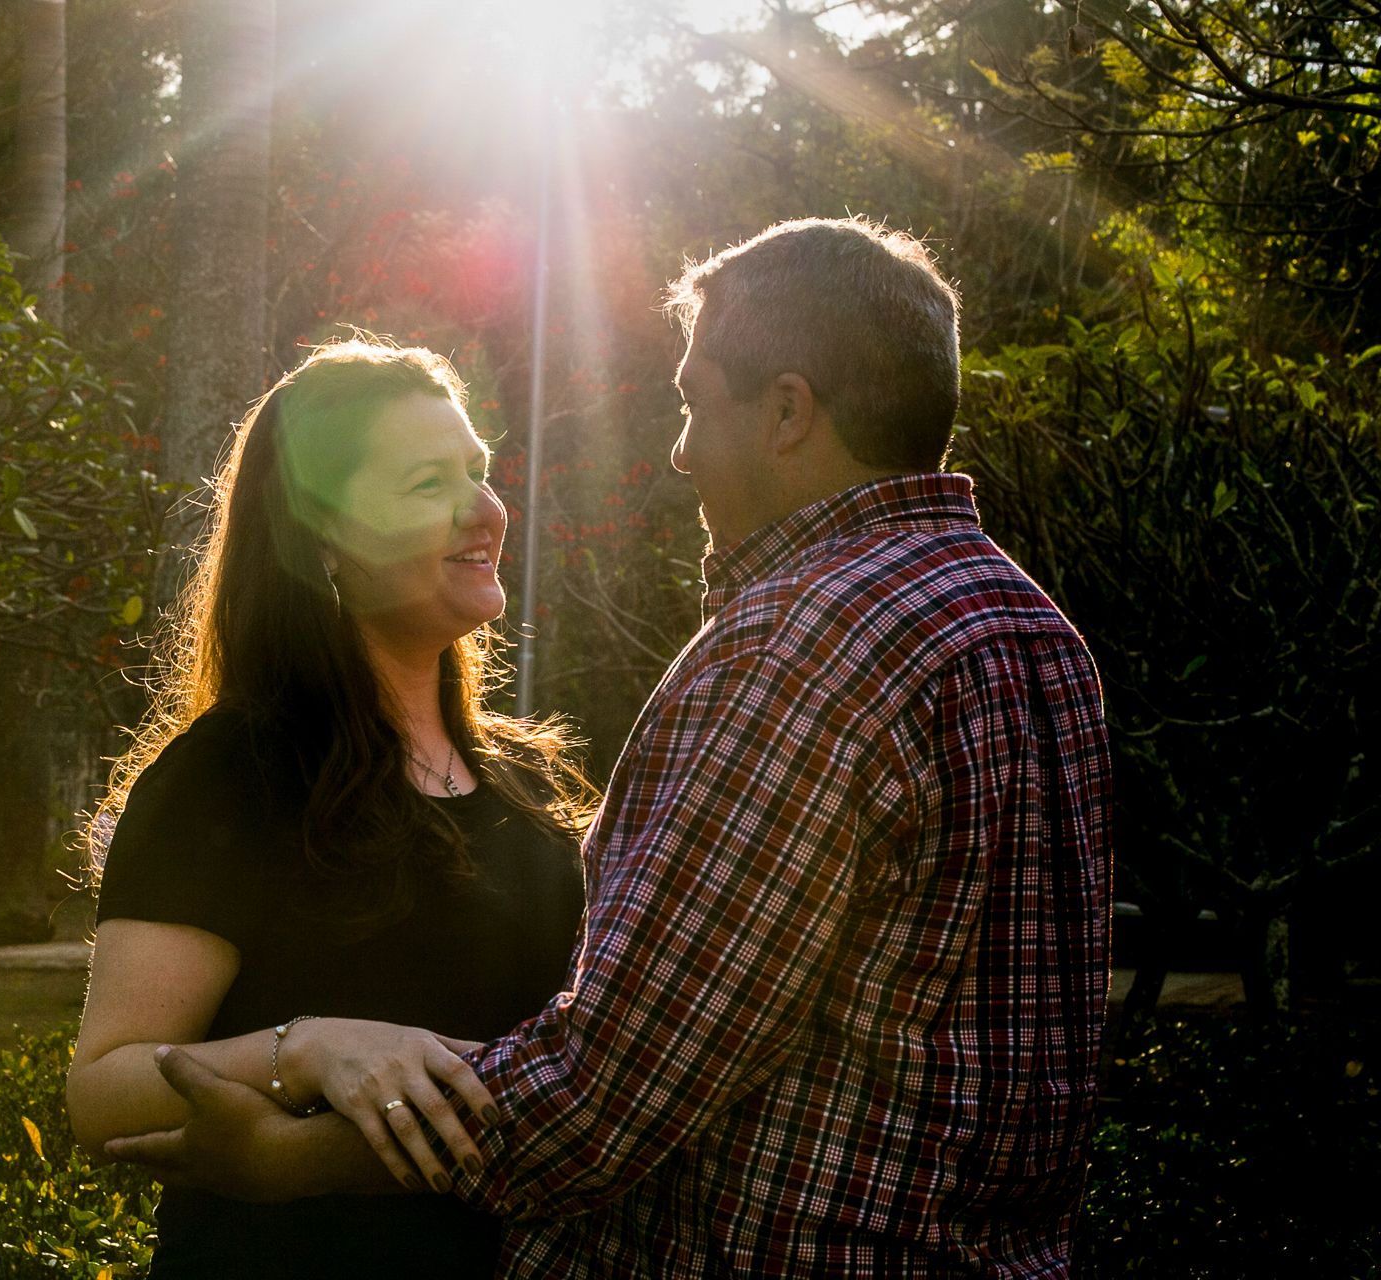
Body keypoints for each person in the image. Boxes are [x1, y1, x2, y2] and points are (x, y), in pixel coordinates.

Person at [106, 217, 1115, 1277]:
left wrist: (299, 1157)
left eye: (692, 401)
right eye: (425, 482)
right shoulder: (1037, 631)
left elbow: (614, 1086)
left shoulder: (793, 645)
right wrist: (300, 1049)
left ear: (785, 411)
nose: (679, 448)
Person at [64, 337, 595, 1278]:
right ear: (325, 542)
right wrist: (307, 1049)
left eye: (479, 471)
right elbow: (102, 1091)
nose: (486, 511)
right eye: (430, 484)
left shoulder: (534, 782)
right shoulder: (227, 775)